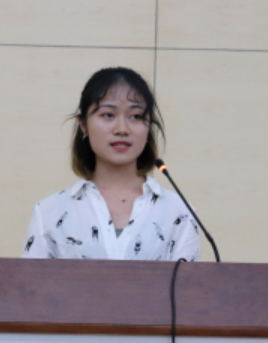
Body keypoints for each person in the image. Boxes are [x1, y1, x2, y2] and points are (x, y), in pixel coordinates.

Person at [21, 67, 201, 261]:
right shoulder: (49, 212)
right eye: (108, 115)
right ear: (83, 125)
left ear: (149, 126)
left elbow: (187, 281)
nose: (122, 129)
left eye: (136, 116)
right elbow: (32, 280)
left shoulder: (180, 212)